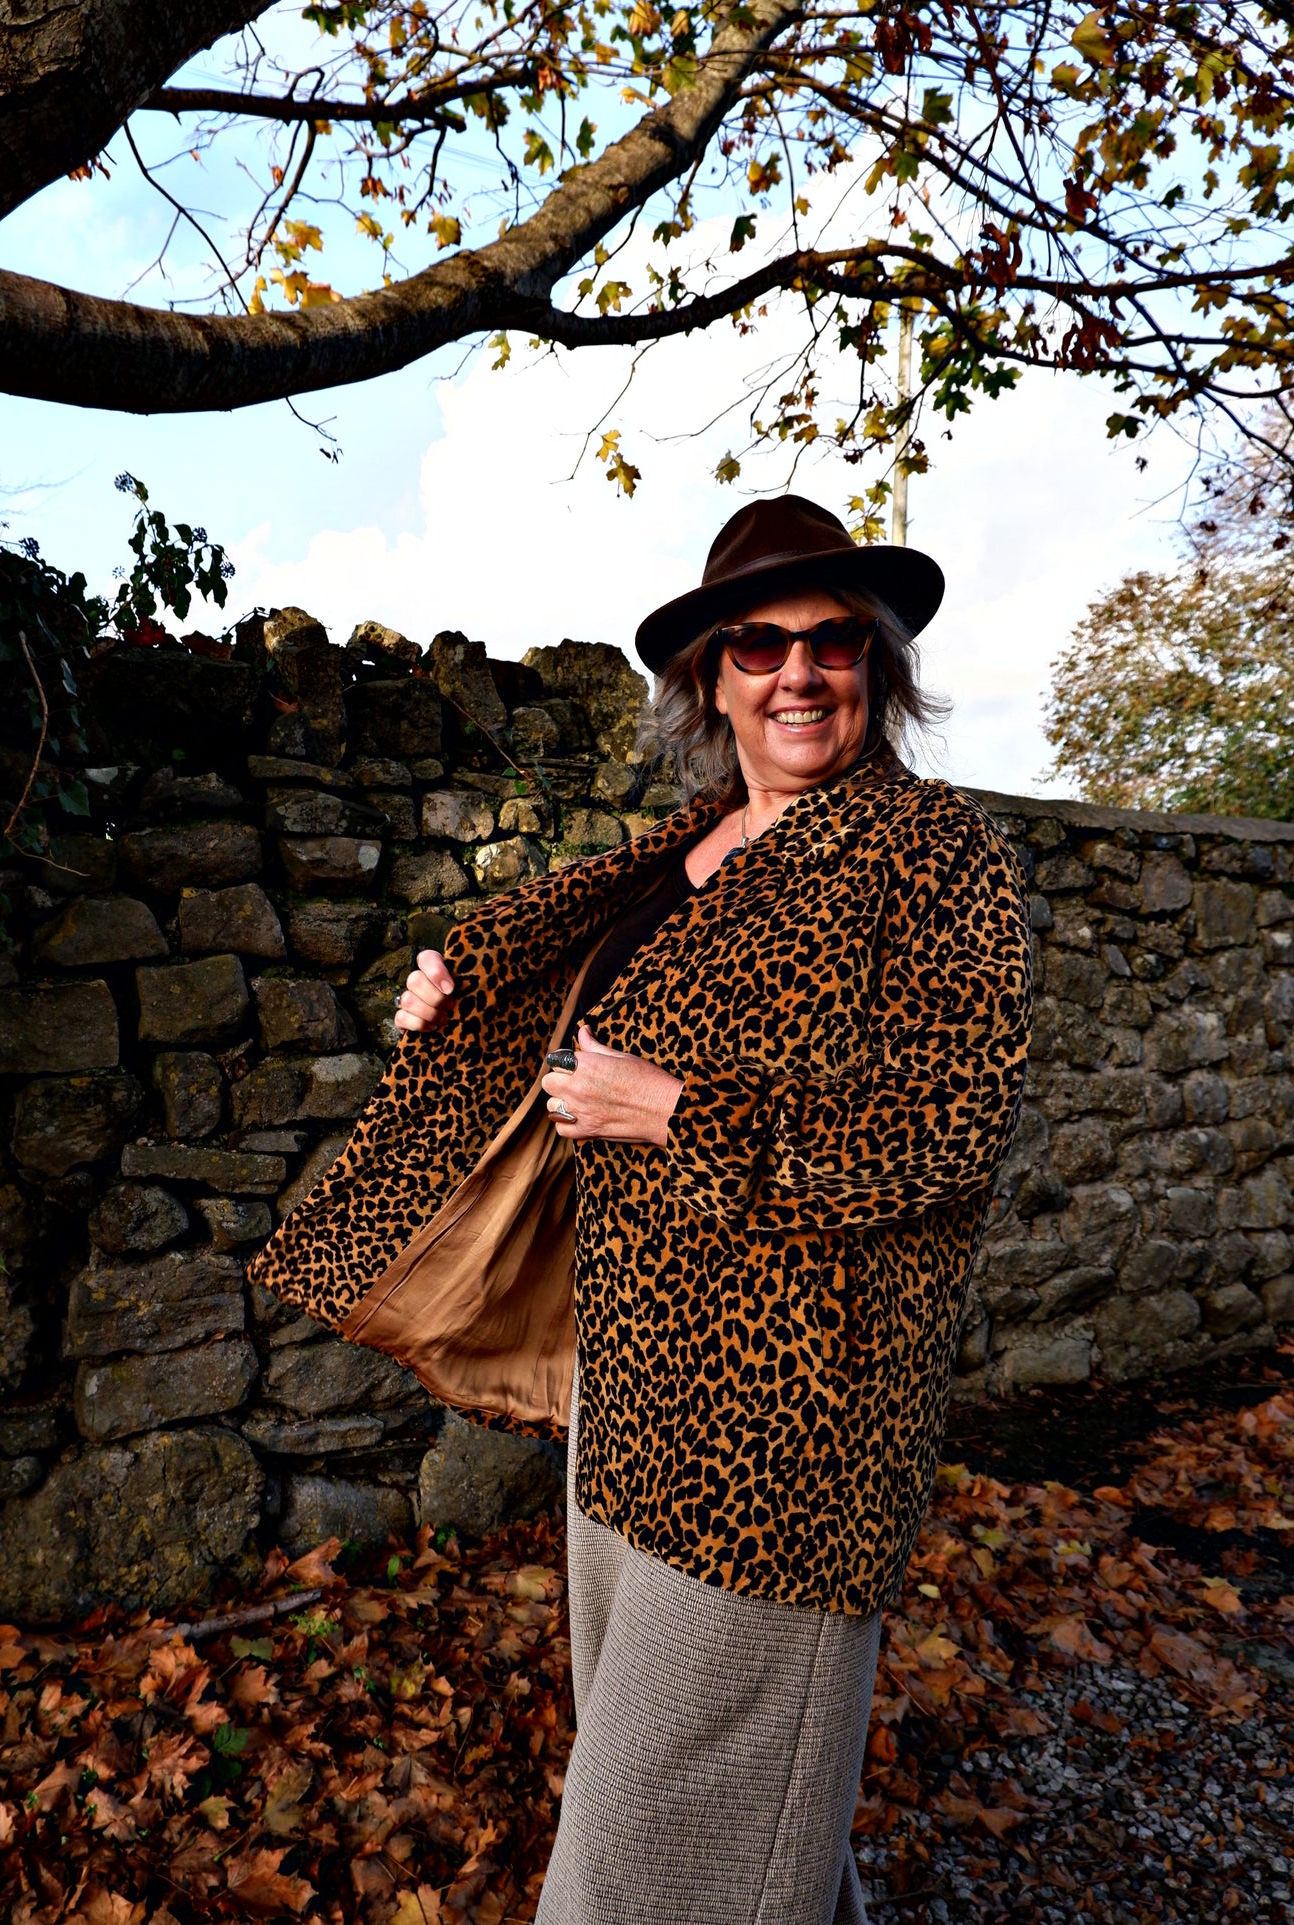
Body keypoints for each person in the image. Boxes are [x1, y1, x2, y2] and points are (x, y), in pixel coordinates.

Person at [248, 495, 1032, 1924]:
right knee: (734, 1839)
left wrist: (682, 1111)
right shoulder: (685, 855)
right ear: (709, 674)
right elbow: (579, 1062)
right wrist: (462, 1011)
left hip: (786, 1438)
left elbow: (945, 1131)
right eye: (758, 643)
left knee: (646, 1864)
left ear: (877, 662)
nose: (797, 672)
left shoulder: (928, 856)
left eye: (832, 639)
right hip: (632, 1414)